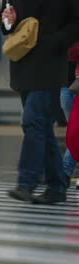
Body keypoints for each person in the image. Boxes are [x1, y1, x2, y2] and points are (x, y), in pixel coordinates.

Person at [0, 0, 79, 204]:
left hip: (50, 66)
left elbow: (75, 23)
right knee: (42, 128)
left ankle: (26, 183)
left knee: (32, 122)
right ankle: (57, 186)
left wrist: (54, 41)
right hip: (23, 65)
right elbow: (6, 24)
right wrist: (8, 21)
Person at [61, 42, 79, 188]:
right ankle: (65, 172)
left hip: (73, 85)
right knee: (73, 133)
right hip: (67, 86)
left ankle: (65, 171)